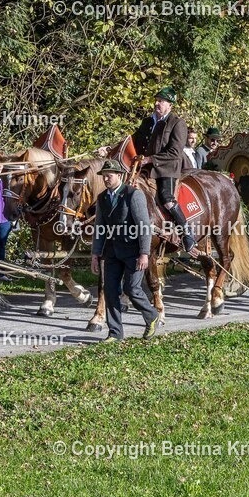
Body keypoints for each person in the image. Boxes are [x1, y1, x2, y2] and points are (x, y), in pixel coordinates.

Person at [90, 160, 160, 342]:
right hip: (112, 252)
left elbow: (144, 226)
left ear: (119, 175)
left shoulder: (133, 195)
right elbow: (99, 228)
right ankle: (115, 333)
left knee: (132, 289)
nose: (105, 178)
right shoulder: (102, 198)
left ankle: (151, 314)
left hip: (133, 251)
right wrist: (95, 254)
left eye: (109, 175)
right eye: (104, 175)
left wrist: (144, 253)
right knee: (110, 290)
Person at [132, 86, 197, 256]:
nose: (156, 103)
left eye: (160, 101)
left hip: (166, 169)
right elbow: (133, 141)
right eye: (156, 100)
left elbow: (175, 152)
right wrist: (111, 148)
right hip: (144, 168)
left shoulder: (177, 123)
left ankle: (186, 232)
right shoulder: (148, 122)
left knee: (166, 198)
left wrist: (150, 159)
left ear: (170, 104)